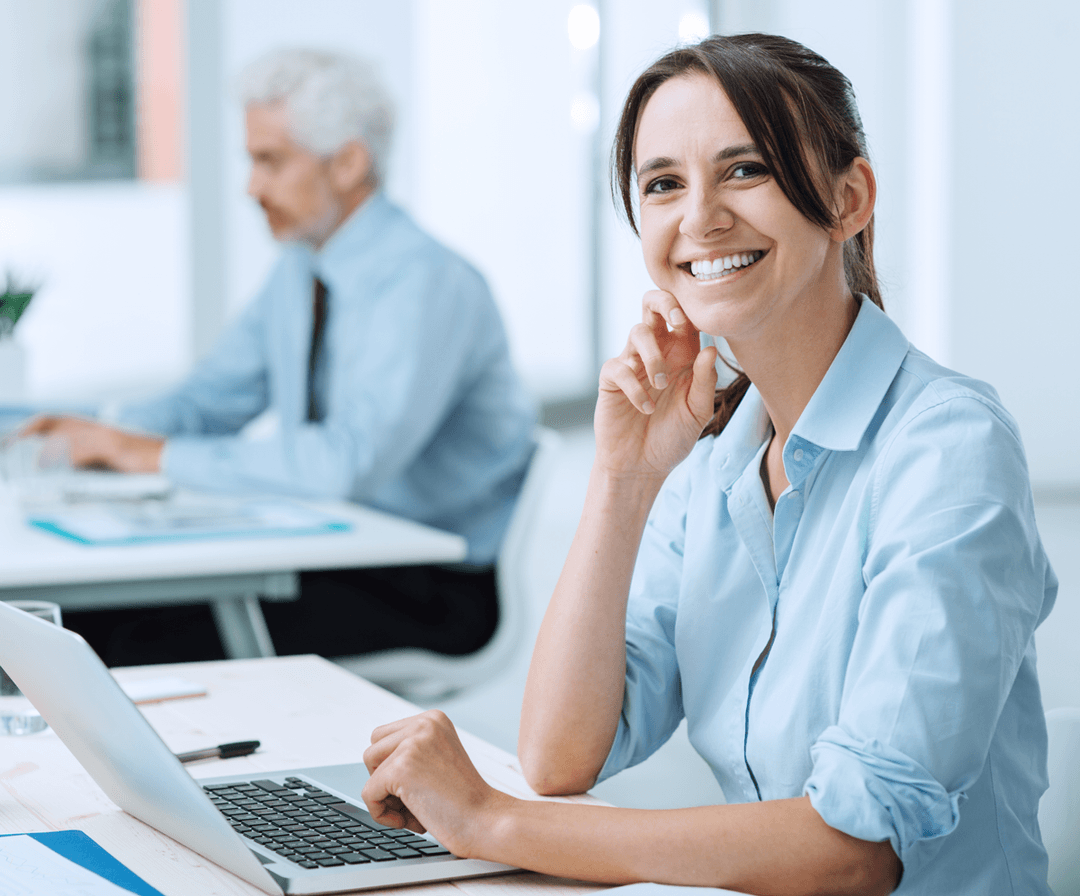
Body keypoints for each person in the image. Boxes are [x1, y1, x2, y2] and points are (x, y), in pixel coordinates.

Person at [353, 33, 1056, 896]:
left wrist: (493, 821)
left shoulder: (948, 450)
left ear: (849, 198)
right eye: (662, 184)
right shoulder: (718, 464)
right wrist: (624, 478)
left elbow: (855, 852)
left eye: (746, 169)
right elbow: (564, 753)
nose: (700, 218)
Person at [22, 48, 536, 665]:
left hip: (428, 583)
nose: (251, 187)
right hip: (326, 551)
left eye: (270, 161)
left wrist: (146, 454)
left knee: (101, 636)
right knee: (70, 615)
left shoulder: (428, 284)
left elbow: (343, 464)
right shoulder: (302, 266)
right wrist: (106, 430)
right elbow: (213, 398)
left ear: (347, 163)